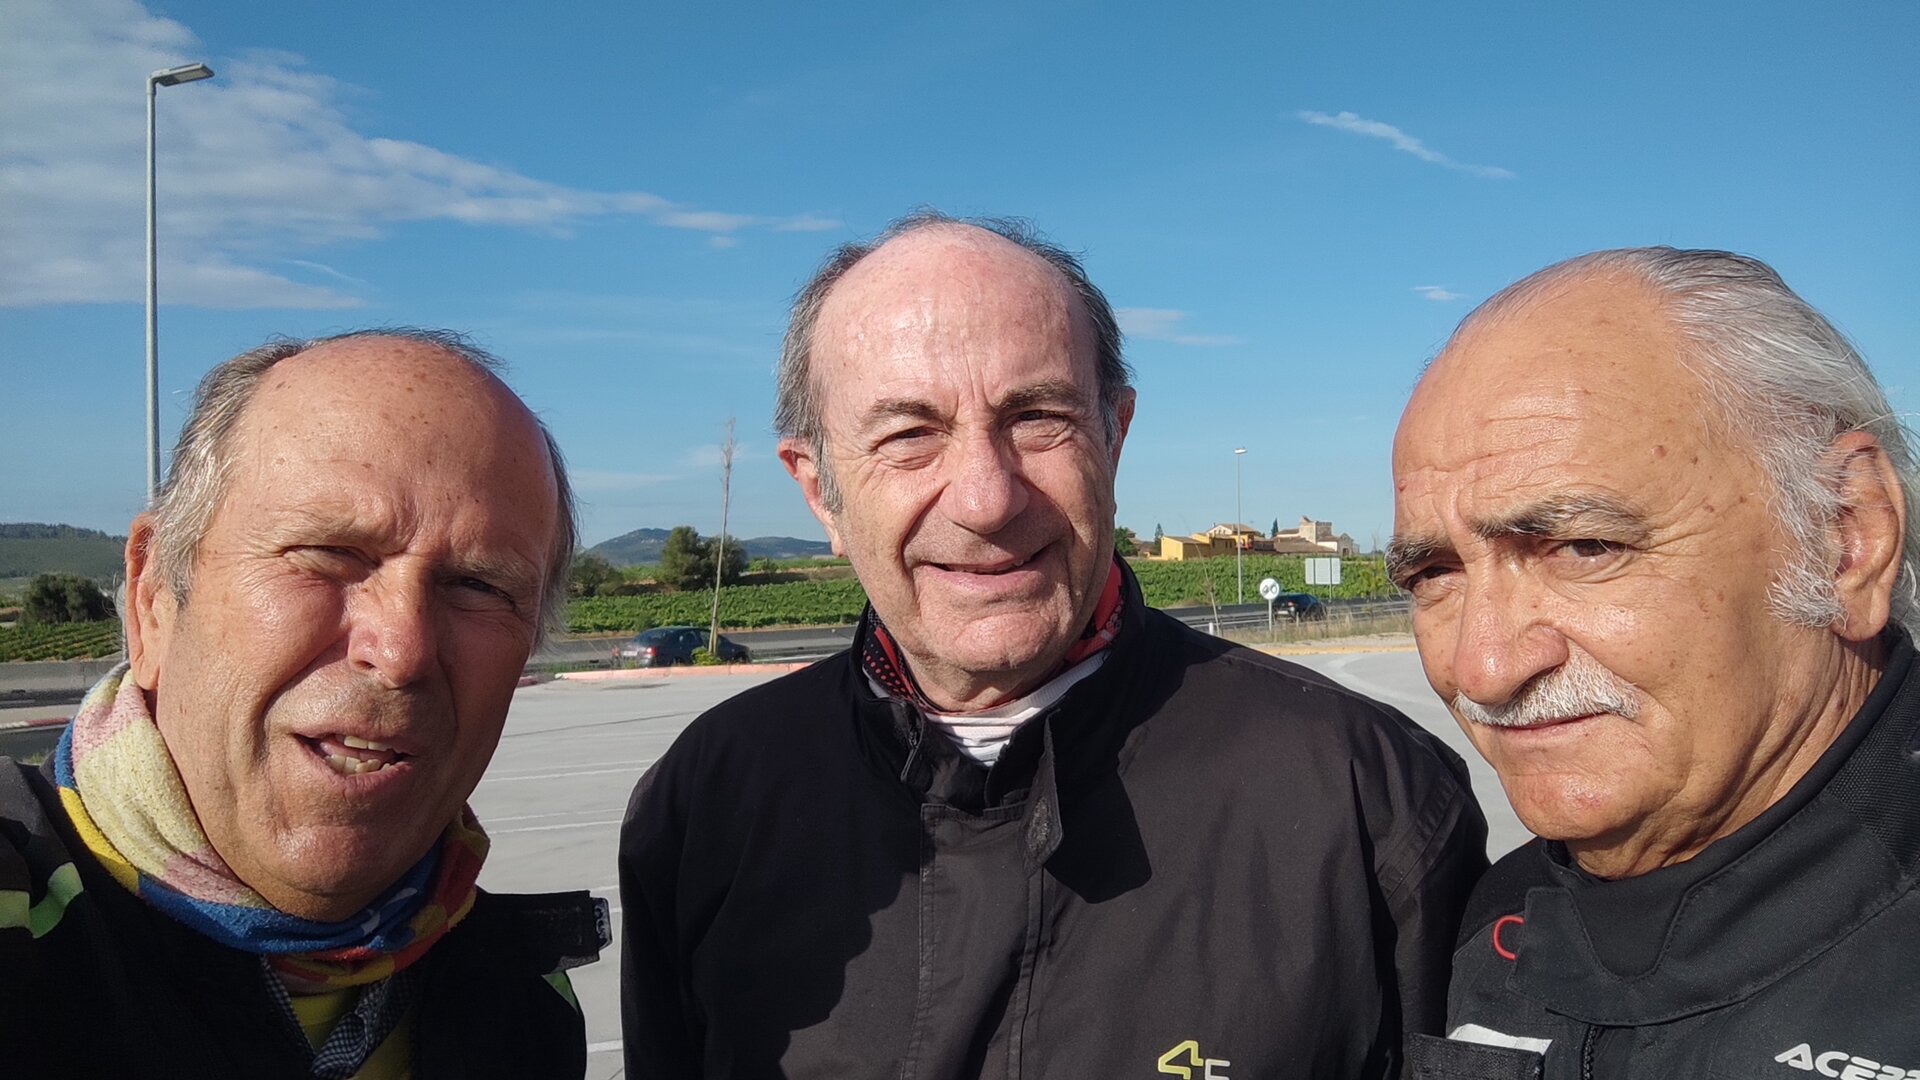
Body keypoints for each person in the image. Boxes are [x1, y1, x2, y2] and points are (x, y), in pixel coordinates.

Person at [620, 212, 1489, 1079]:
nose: (986, 499)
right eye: (908, 434)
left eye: (1037, 417)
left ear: (1115, 437)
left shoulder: (1370, 799)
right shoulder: (706, 804)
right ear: (820, 491)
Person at [0, 330, 609, 1078]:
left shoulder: (525, 1001)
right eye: (328, 553)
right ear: (153, 597)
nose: (401, 650)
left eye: (479, 586)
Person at [1389, 249, 1920, 1077]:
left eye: (1584, 545)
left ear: (1848, 536)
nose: (1483, 668)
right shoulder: (1486, 920)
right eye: (1434, 575)